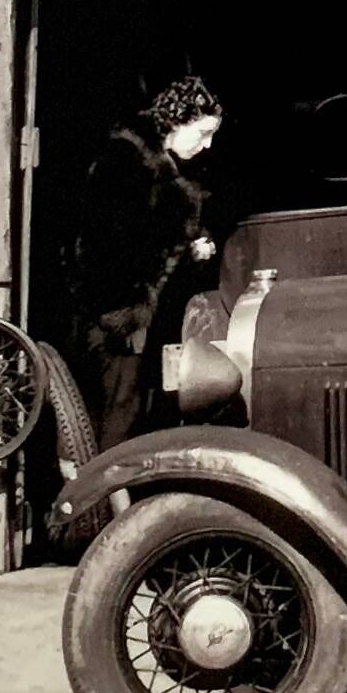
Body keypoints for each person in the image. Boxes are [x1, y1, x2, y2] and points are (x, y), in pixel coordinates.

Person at [72, 75, 224, 450]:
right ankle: (106, 501)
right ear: (177, 120)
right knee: (118, 412)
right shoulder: (127, 164)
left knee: (133, 410)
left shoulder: (168, 168)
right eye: (202, 132)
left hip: (141, 318)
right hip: (116, 317)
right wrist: (126, 314)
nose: (207, 145)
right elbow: (106, 247)